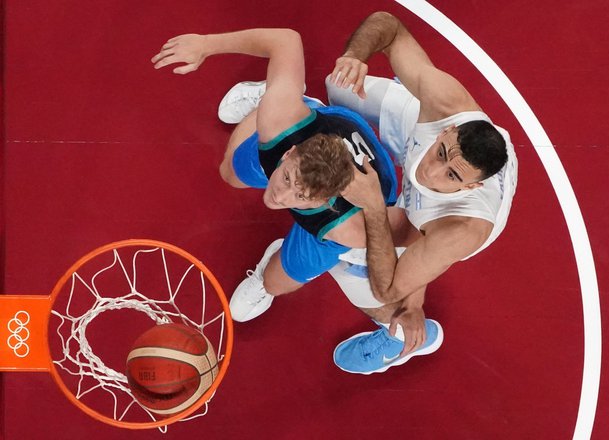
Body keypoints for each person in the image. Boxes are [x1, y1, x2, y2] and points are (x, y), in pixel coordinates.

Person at [318, 11, 518, 374]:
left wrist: (376, 208)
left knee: (345, 245)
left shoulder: (461, 227)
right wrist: (355, 57)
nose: (431, 170)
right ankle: (305, 111)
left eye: (451, 174)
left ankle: (403, 335)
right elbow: (388, 25)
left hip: (434, 223)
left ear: (470, 185)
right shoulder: (445, 106)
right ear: (447, 133)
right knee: (340, 84)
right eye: (442, 153)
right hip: (420, 128)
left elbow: (389, 287)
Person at [150, 29, 398, 320]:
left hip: (360, 198)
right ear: (288, 154)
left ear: (329, 199)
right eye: (288, 179)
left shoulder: (347, 228)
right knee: (229, 172)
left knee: (274, 283)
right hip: (318, 124)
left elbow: (404, 239)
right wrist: (206, 44)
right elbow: (287, 39)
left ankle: (263, 282)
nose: (281, 196)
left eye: (301, 195)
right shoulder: (280, 123)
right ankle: (285, 95)